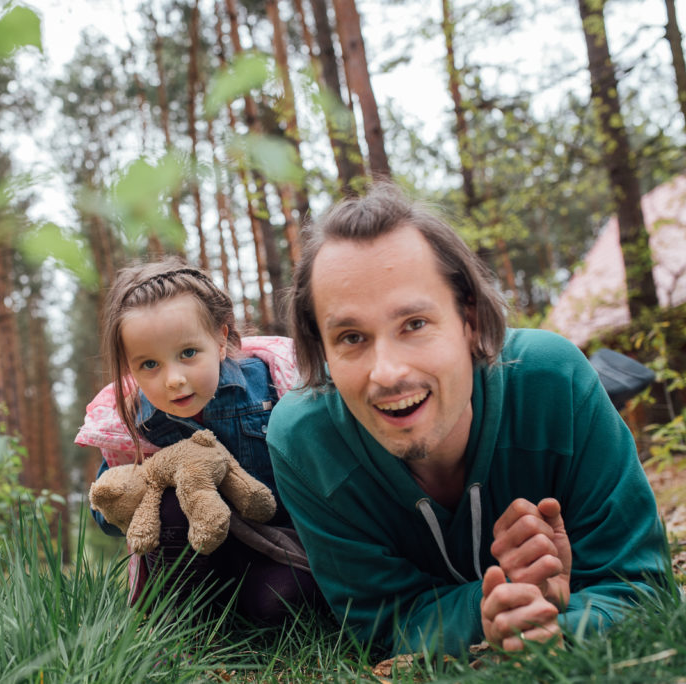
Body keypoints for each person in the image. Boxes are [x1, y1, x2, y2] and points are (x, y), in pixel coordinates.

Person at [267, 183, 670, 655]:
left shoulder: (555, 381)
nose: (388, 373)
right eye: (352, 337)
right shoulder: (304, 441)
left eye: (414, 324)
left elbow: (643, 586)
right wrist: (494, 608)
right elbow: (382, 623)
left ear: (469, 319)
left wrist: (561, 624)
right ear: (322, 349)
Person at [75, 257, 320, 623]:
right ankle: (183, 615)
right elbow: (107, 513)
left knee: (285, 602)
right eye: (149, 365)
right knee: (167, 499)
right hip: (190, 558)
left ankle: (241, 606)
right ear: (130, 366)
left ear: (221, 339)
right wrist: (128, 493)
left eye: (188, 354)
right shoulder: (131, 424)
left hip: (270, 545)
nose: (173, 379)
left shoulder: (270, 387)